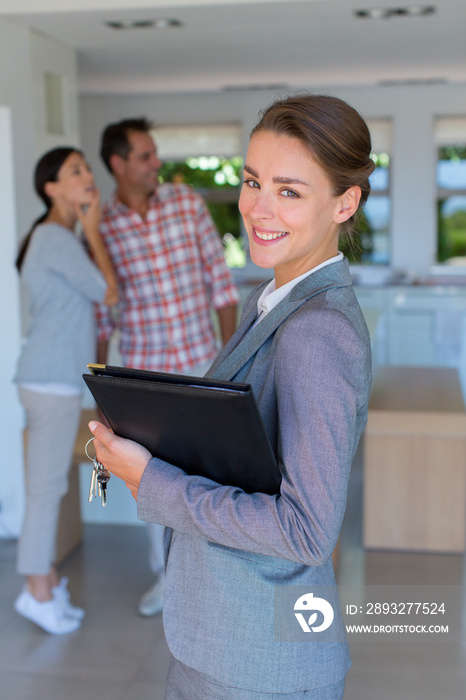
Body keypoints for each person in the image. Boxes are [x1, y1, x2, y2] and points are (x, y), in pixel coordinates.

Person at [89, 94, 374, 698]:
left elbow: (305, 531)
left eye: (289, 191)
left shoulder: (317, 331)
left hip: (259, 666)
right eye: (252, 181)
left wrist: (151, 481)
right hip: (224, 643)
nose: (257, 209)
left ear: (344, 202)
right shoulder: (270, 301)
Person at [96, 118, 239, 616]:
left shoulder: (186, 204)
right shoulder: (102, 227)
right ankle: (167, 580)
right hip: (143, 376)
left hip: (202, 363)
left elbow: (220, 285)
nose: (157, 163)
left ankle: (215, 580)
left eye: (155, 154)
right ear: (118, 164)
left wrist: (230, 364)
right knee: (148, 480)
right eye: (145, 156)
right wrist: (100, 388)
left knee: (212, 477)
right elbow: (101, 309)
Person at [14, 147, 118, 635]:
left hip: (50, 379)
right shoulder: (56, 237)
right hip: (49, 380)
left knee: (47, 487)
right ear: (51, 188)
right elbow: (108, 292)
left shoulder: (58, 237)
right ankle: (37, 591)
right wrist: (93, 227)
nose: (86, 177)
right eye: (74, 171)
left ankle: (46, 582)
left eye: (85, 167)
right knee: (45, 490)